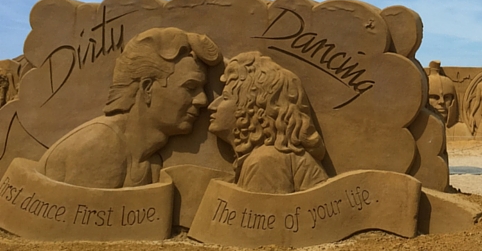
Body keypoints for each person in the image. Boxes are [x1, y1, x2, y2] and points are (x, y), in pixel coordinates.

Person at [37, 27, 221, 189]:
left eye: (202, 89)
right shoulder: (99, 148)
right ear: (147, 88)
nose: (202, 100)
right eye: (190, 87)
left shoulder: (151, 162)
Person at [208, 51, 328, 194]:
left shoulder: (265, 161)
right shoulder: (270, 157)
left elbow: (265, 215)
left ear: (250, 108)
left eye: (226, 97)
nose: (212, 106)